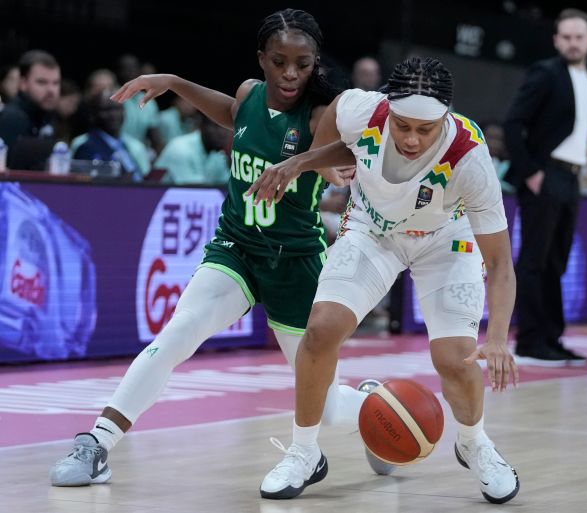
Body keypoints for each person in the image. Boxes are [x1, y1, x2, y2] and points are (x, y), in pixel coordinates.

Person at [49, 8, 387, 487]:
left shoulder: (320, 114)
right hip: (237, 247)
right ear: (261, 60)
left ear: (315, 65)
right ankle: (97, 443)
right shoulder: (249, 96)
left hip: (295, 261)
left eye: (303, 63)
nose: (290, 73)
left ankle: (378, 407)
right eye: (279, 61)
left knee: (327, 405)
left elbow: (351, 153)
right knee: (177, 334)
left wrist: (304, 165)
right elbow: (228, 111)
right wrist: (173, 81)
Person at [250, 56, 520, 504]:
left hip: (444, 241)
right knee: (319, 331)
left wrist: (496, 339)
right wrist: (306, 162)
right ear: (388, 110)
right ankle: (304, 452)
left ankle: (474, 444)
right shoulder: (362, 108)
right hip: (372, 231)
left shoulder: (470, 156)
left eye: (424, 130)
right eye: (403, 126)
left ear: (446, 119)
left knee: (455, 358)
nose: (411, 139)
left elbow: (502, 264)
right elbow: (341, 124)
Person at [503, 8, 587, 367]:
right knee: (534, 260)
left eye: (579, 37)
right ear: (557, 40)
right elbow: (513, 123)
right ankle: (528, 341)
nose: (573, 43)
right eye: (566, 37)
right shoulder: (545, 74)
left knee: (556, 261)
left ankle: (551, 338)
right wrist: (530, 172)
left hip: (571, 177)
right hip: (546, 174)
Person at [0, 50, 60, 170]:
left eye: (55, 83)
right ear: (23, 83)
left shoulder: (46, 117)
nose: (51, 90)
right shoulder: (12, 119)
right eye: (42, 82)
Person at [71, 90, 149, 181]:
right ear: (93, 114)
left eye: (118, 109)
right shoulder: (85, 147)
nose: (114, 115)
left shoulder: (130, 146)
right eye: (107, 110)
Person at [154, 115, 230, 185]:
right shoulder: (181, 148)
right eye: (216, 126)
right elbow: (193, 191)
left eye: (227, 128)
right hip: (154, 198)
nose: (222, 133)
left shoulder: (217, 155)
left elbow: (226, 187)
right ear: (201, 126)